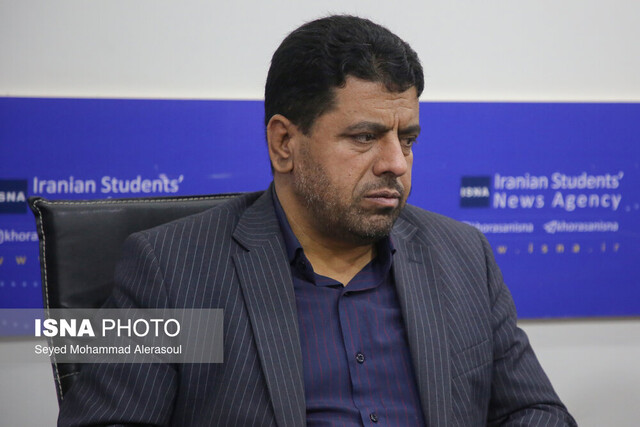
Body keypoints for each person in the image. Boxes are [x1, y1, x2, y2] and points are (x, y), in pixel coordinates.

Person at [59, 15, 576, 426]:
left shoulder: (462, 256)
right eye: (364, 137)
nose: (395, 163)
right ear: (285, 143)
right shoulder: (170, 269)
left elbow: (536, 412)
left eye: (407, 139)